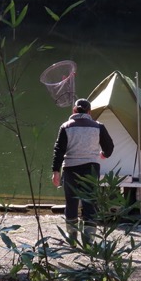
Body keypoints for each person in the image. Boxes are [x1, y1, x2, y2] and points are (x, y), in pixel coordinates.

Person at [51, 98, 114, 242]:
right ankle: (88, 240)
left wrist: (55, 171)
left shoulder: (66, 126)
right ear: (89, 112)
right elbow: (109, 147)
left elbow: (59, 150)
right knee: (90, 202)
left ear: (74, 110)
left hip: (70, 169)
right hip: (91, 168)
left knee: (71, 201)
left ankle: (71, 237)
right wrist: (103, 155)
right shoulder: (98, 127)